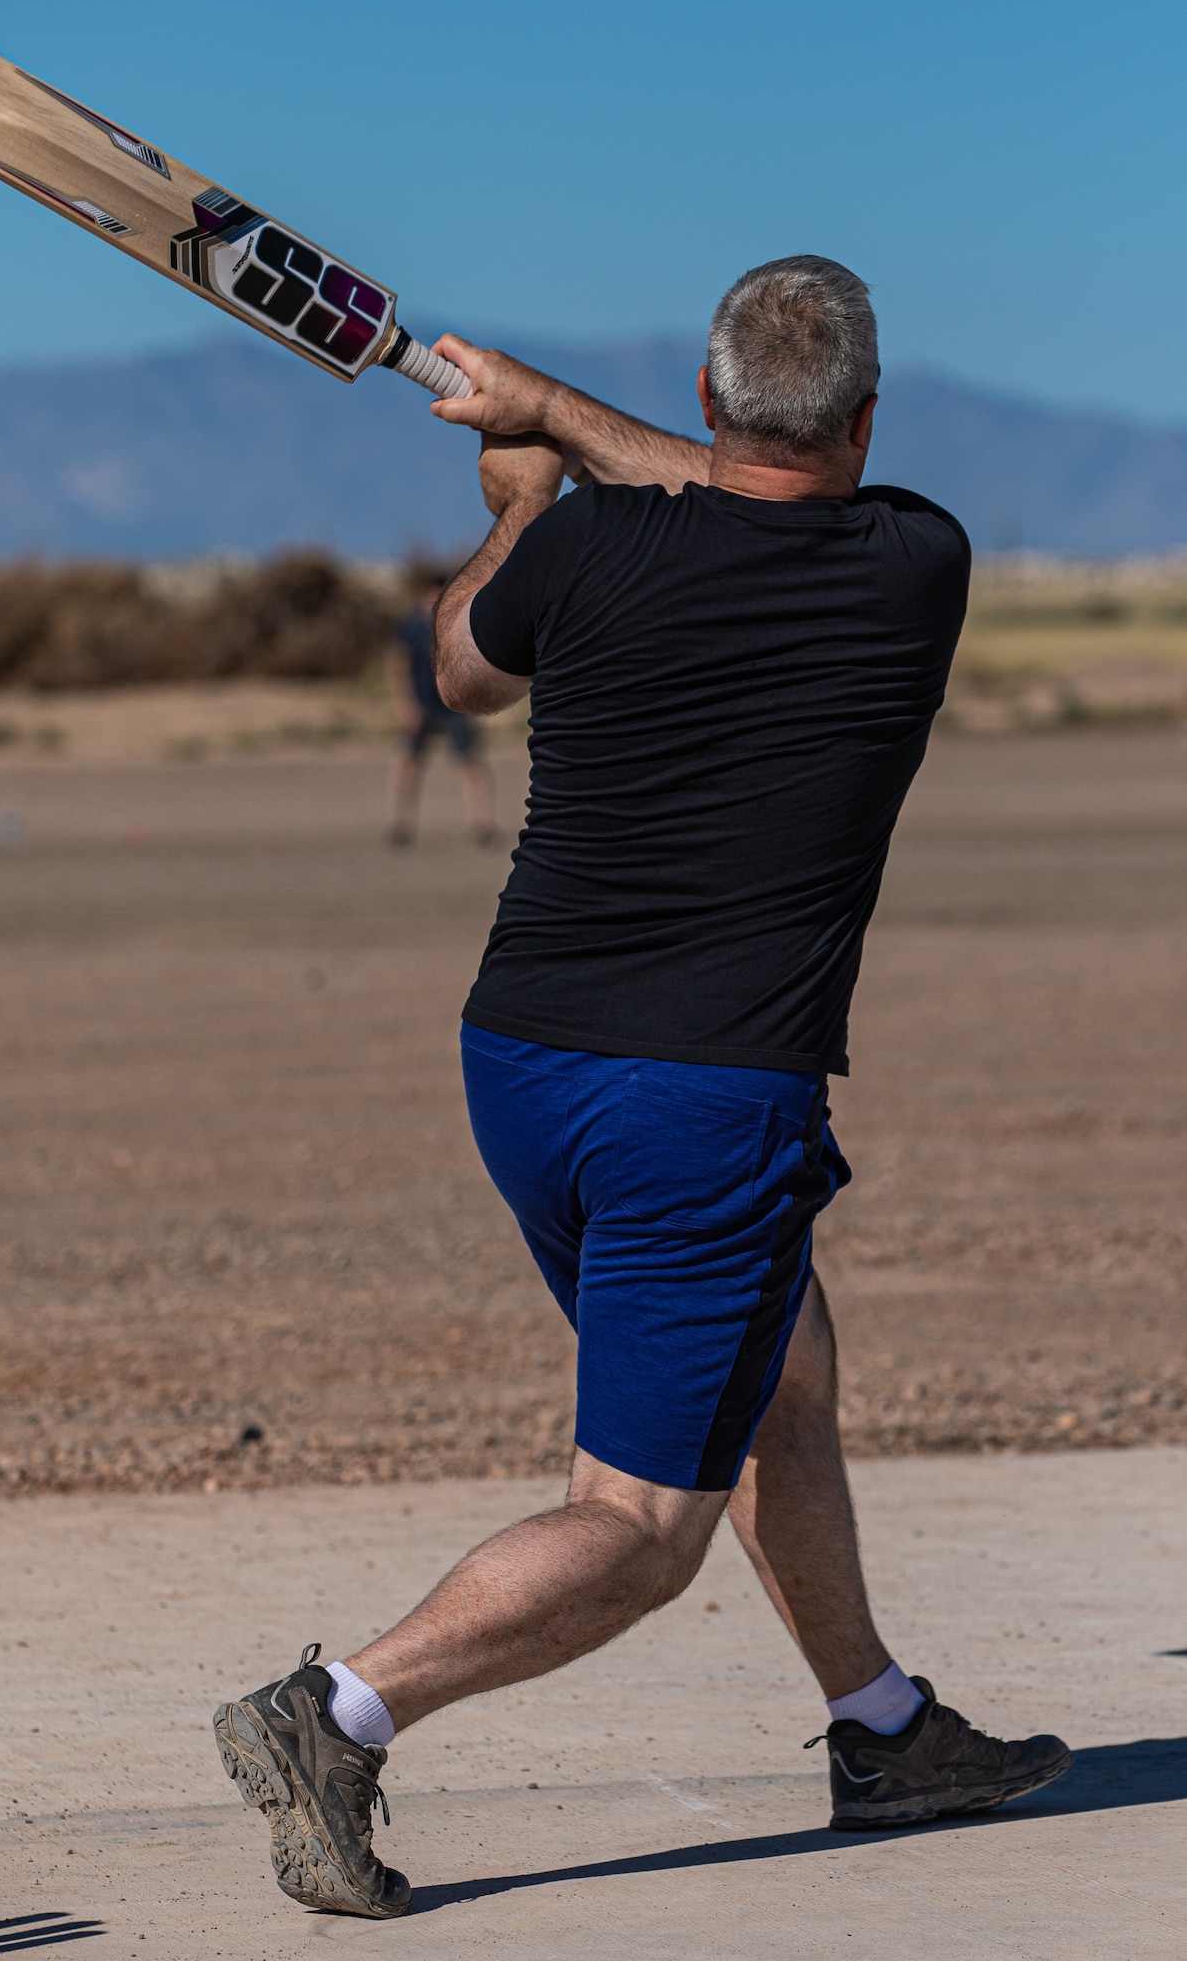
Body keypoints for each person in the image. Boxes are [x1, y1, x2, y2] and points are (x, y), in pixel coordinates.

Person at [214, 258, 1071, 1919]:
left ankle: (880, 1729)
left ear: (702, 402)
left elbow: (464, 670)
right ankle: (336, 1717)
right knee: (640, 1521)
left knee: (784, 1375)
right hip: (701, 1103)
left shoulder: (590, 545)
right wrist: (554, 423)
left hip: (522, 1065)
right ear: (868, 420)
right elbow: (744, 495)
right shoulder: (912, 562)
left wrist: (525, 483)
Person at [386, 565, 495, 846]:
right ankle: (400, 822)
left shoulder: (460, 623)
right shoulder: (411, 627)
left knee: (470, 761)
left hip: (455, 705)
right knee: (409, 762)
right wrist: (406, 705)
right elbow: (398, 665)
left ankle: (480, 821)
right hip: (422, 703)